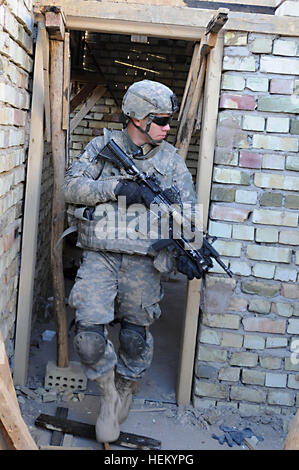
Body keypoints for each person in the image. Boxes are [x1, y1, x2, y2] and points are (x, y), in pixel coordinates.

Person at [63, 80, 200, 443]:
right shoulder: (102, 148)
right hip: (101, 255)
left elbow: (188, 215)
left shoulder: (170, 163)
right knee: (89, 337)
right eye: (161, 120)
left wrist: (188, 249)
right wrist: (116, 188)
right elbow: (69, 188)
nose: (167, 128)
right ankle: (107, 396)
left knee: (134, 339)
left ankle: (124, 388)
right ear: (137, 117)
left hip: (144, 262)